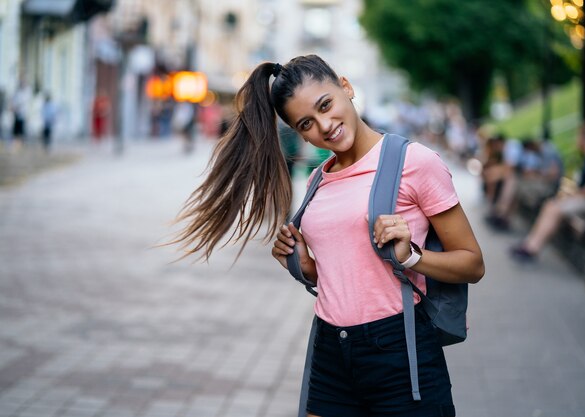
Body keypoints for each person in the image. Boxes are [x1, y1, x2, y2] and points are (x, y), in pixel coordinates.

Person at [173, 55, 484, 416]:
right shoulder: (317, 179)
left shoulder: (414, 162)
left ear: (346, 87)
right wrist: (307, 268)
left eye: (326, 105)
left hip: (400, 350)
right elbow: (352, 273)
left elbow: (472, 263)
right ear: (299, 132)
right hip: (330, 348)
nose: (325, 125)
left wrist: (411, 256)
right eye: (307, 123)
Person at [510, 122, 585, 262]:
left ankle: (531, 248)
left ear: (584, 139)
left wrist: (574, 195)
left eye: (577, 137)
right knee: (551, 205)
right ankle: (529, 244)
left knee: (554, 208)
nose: (576, 141)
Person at [486, 138, 563, 230]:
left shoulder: (548, 150)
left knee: (514, 184)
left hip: (549, 186)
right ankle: (503, 217)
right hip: (541, 183)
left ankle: (502, 215)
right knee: (514, 183)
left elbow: (553, 174)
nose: (530, 153)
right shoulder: (540, 152)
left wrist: (536, 173)